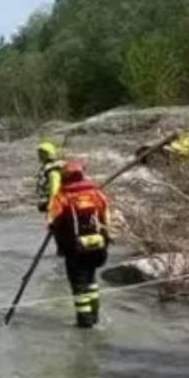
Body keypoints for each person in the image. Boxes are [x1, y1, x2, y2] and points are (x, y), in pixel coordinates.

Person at [47, 161, 111, 329]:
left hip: (74, 249)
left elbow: (50, 218)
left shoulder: (62, 197)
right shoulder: (96, 193)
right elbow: (106, 218)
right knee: (91, 280)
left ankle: (84, 321)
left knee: (78, 285)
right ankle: (95, 316)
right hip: (98, 247)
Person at [36, 141, 66, 255]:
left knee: (59, 230)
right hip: (59, 203)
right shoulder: (55, 167)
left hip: (57, 204)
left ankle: (63, 252)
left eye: (40, 153)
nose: (38, 156)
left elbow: (55, 189)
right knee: (58, 230)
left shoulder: (52, 170)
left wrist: (52, 209)